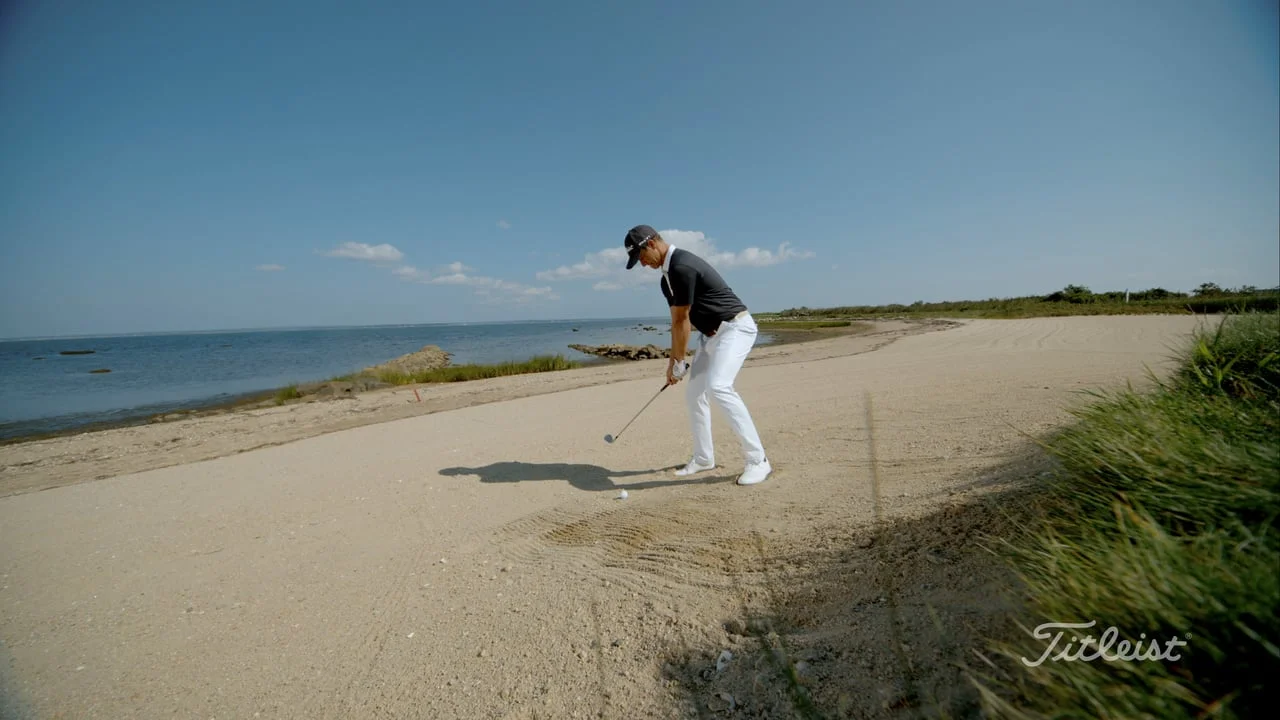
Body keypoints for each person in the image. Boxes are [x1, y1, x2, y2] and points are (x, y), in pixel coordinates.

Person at [623, 225, 772, 486]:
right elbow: (677, 322)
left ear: (652, 244)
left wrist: (680, 362)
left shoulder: (682, 266)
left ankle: (758, 460)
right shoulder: (666, 279)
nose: (643, 264)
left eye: (642, 257)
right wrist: (673, 363)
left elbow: (683, 320)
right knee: (694, 394)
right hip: (710, 337)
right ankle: (704, 458)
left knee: (719, 386)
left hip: (735, 328)